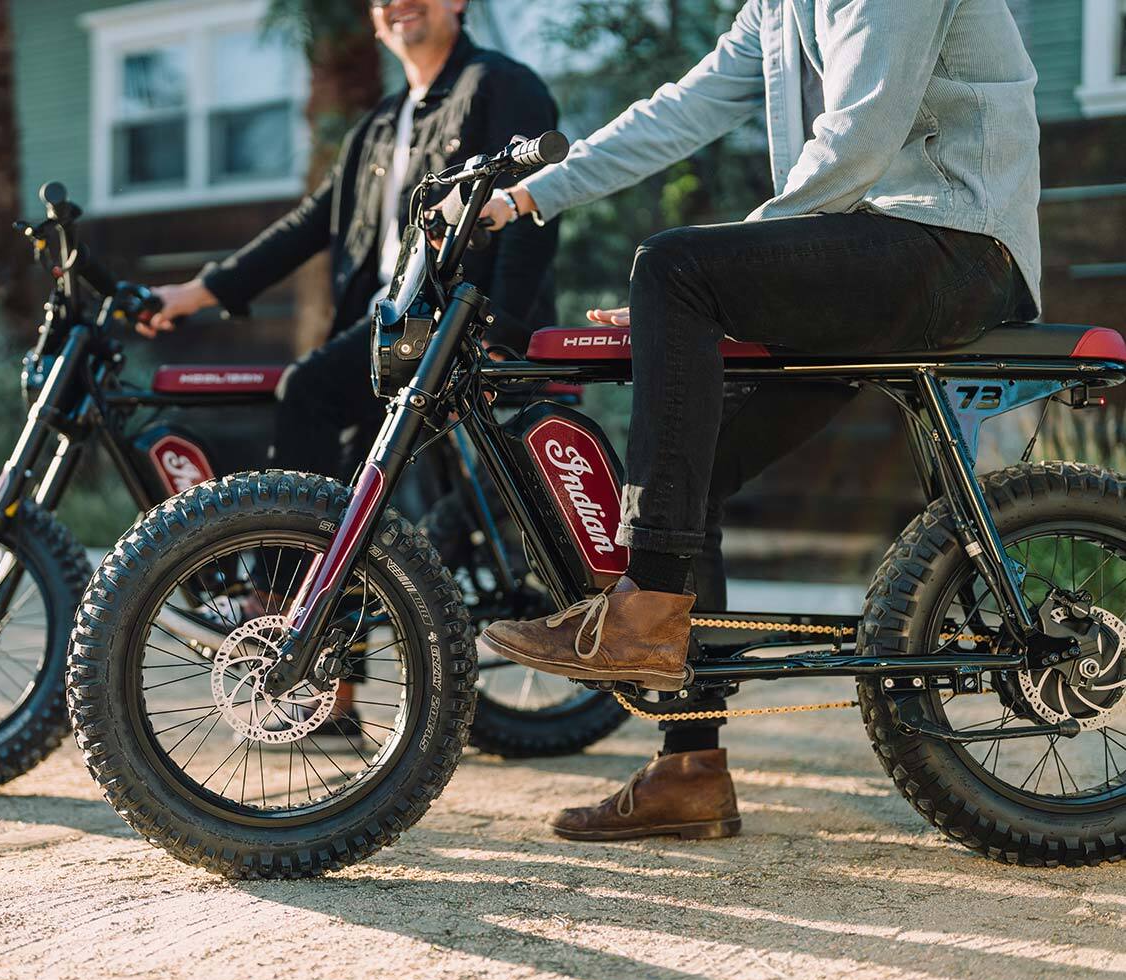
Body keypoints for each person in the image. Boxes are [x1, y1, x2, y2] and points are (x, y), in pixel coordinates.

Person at [479, 0, 1041, 842]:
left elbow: (861, 128)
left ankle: (649, 604)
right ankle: (690, 769)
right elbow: (684, 106)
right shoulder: (776, 10)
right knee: (690, 459)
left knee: (675, 270)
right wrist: (526, 197)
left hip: (955, 244)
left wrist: (736, 271)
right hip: (869, 250)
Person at [144, 0, 560, 732]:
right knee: (342, 498)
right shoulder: (379, 124)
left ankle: (278, 605)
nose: (399, 3)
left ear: (458, 3)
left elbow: (531, 206)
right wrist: (197, 292)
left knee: (306, 393)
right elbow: (308, 224)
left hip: (449, 328)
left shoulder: (499, 85)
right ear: (373, 20)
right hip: (388, 334)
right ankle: (330, 692)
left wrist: (507, 328)